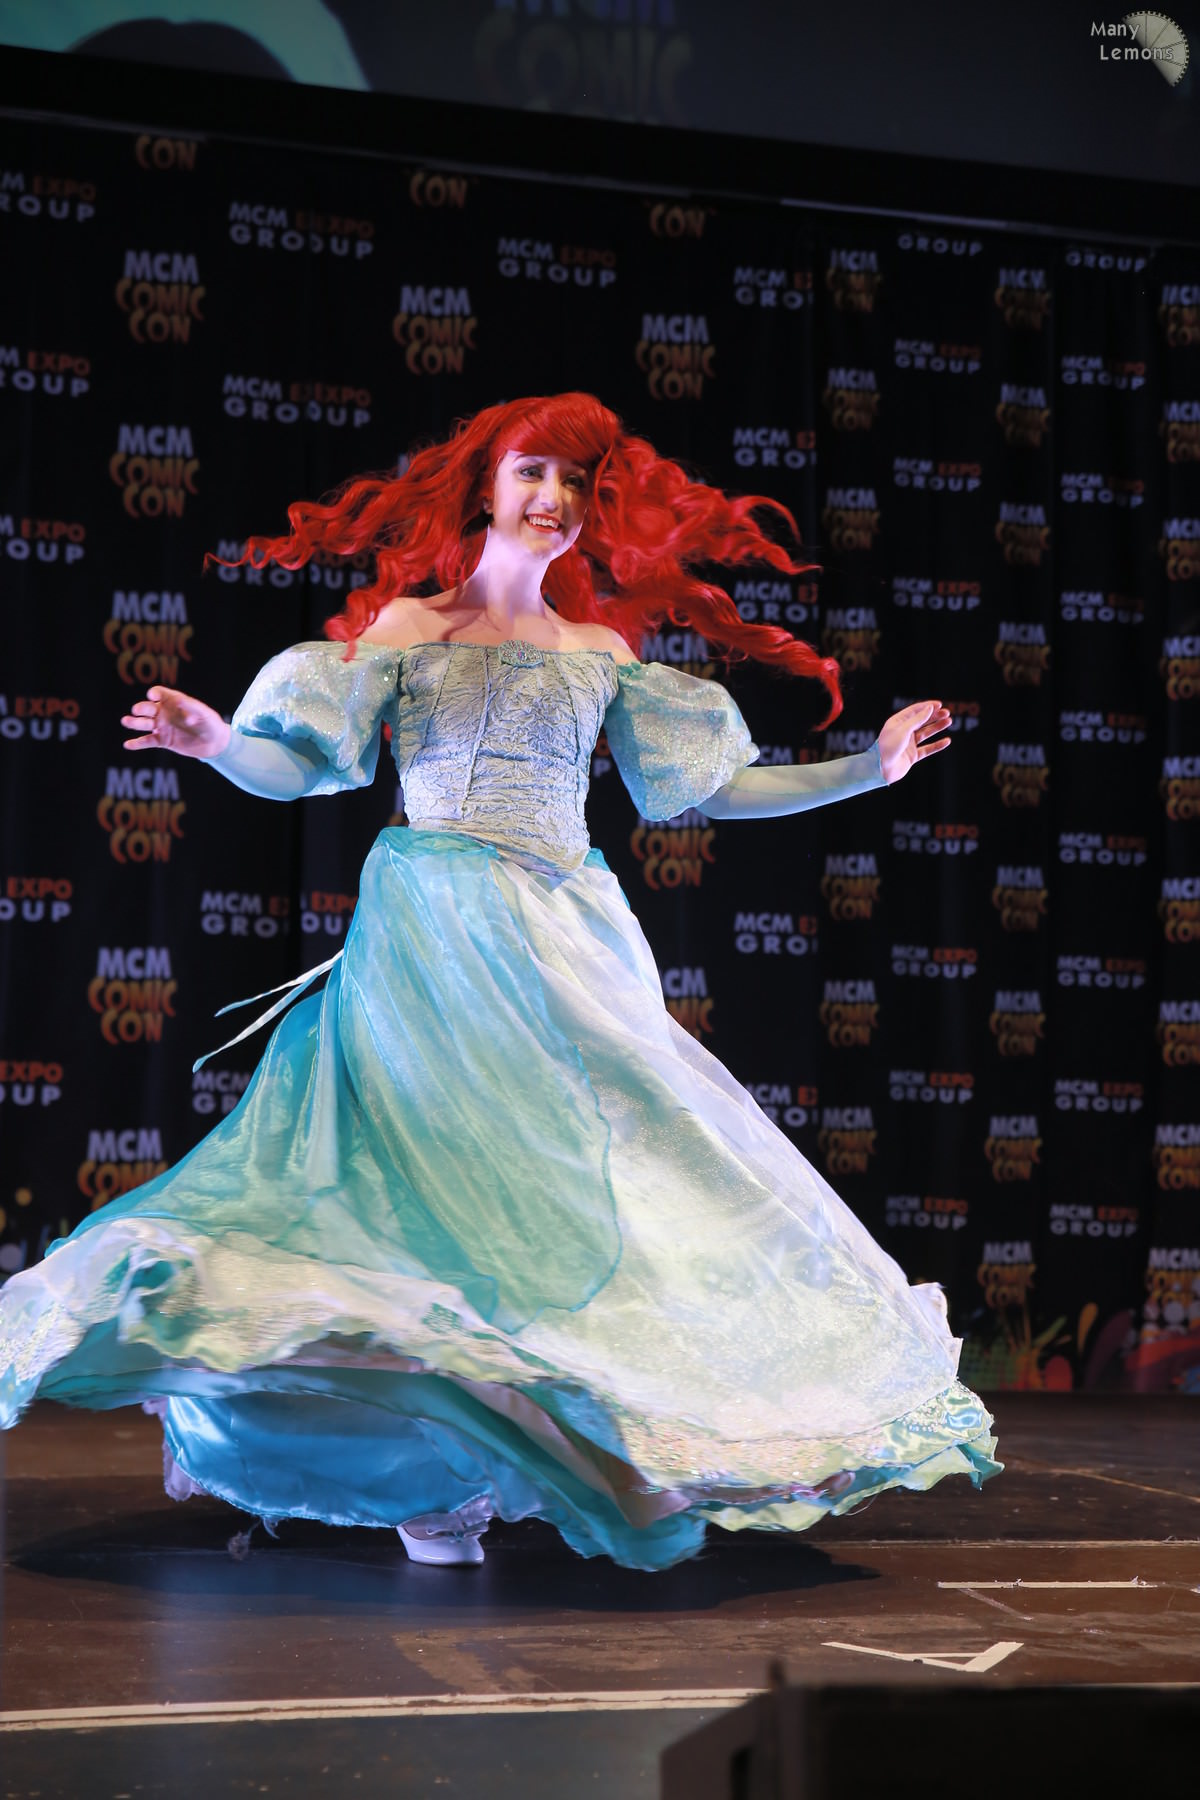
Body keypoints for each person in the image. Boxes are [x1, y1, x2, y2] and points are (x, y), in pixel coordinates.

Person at [0, 393, 998, 1570]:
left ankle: (557, 1448)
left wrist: (866, 771)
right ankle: (428, 1480)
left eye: (577, 483)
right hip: (434, 936)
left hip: (567, 939)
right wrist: (217, 743)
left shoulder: (600, 656)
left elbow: (715, 791)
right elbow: (300, 765)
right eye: (534, 472)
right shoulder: (409, 632)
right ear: (486, 482)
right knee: (422, 1202)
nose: (554, 500)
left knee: (595, 1193)